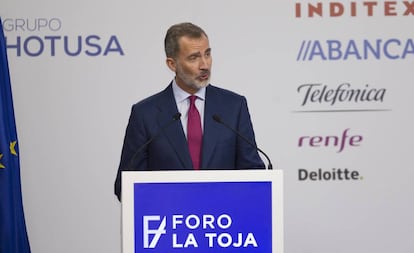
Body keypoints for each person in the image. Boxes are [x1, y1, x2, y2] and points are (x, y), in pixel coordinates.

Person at [114, 22, 264, 201]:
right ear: (172, 64)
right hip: (170, 220)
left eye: (207, 54)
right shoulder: (145, 114)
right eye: (193, 58)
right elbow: (126, 185)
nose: (204, 65)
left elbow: (254, 174)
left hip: (224, 221)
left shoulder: (233, 106)